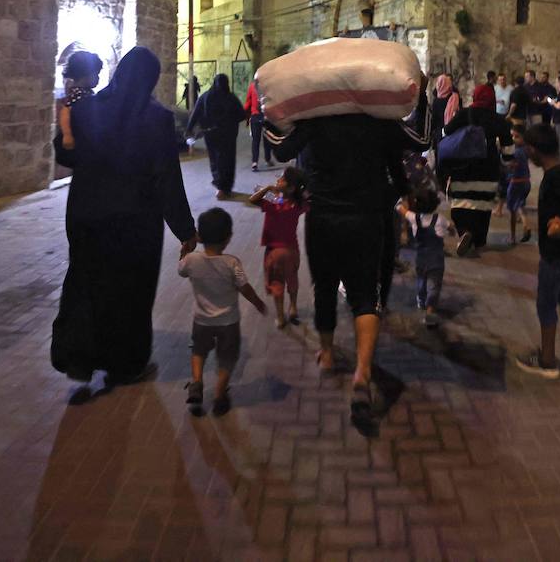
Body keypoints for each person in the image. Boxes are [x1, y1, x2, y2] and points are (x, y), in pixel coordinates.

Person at [266, 108, 430, 424]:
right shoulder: (378, 118)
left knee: (324, 285)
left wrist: (264, 118)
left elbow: (282, 149)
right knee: (365, 292)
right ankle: (362, 373)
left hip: (323, 216)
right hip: (366, 217)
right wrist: (397, 193)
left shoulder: (314, 115)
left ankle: (327, 355)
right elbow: (408, 152)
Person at [52, 46, 198, 389]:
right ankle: (125, 364)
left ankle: (79, 357)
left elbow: (66, 154)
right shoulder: (156, 118)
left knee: (85, 282)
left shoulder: (86, 107)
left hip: (86, 213)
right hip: (134, 221)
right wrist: (185, 229)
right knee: (130, 292)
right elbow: (166, 178)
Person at [514, 124, 560, 380]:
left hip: (558, 253)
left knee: (545, 303)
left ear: (533, 150)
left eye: (526, 149)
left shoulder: (557, 174)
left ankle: (547, 361)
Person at [178, 207, 266, 416]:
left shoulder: (192, 261)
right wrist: (257, 302)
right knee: (227, 357)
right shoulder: (231, 263)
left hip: (201, 321)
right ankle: (219, 394)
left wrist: (185, 253)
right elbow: (245, 288)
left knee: (198, 351)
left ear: (199, 236)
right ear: (228, 238)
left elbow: (181, 270)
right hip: (228, 322)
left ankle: (197, 382)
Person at [437, 90, 508, 257]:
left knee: (461, 202)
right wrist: (507, 160)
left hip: (463, 167)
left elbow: (445, 132)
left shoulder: (464, 114)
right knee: (483, 206)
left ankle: (464, 232)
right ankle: (479, 241)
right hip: (488, 168)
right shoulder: (498, 119)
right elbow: (509, 148)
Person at [248, 166, 308, 329]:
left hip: (274, 252)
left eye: (281, 179)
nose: (277, 181)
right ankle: (294, 307)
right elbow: (308, 199)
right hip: (292, 250)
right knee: (292, 279)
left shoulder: (272, 202)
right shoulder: (297, 204)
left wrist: (267, 188)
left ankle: (281, 318)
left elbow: (252, 199)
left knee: (277, 284)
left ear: (290, 187)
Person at [187, 74, 248, 200]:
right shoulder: (231, 98)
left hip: (211, 135)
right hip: (229, 135)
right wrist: (229, 121)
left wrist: (189, 129)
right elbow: (242, 115)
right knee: (228, 160)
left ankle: (220, 186)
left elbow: (196, 113)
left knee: (215, 160)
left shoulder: (206, 96)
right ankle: (226, 187)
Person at [400, 187, 446, 328]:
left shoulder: (414, 218)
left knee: (421, 280)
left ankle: (421, 300)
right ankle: (430, 309)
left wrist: (402, 202)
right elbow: (449, 228)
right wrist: (452, 230)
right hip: (437, 260)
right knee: (435, 285)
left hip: (421, 258)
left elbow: (402, 210)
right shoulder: (441, 219)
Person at [57, 51, 102, 152]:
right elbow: (66, 112)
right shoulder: (79, 95)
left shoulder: (82, 93)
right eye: (96, 74)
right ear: (85, 74)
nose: (98, 78)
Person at [505, 124, 533, 244]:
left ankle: (512, 237)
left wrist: (504, 164)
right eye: (512, 135)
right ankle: (526, 225)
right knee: (520, 205)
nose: (513, 139)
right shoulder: (525, 151)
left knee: (512, 210)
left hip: (516, 182)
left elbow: (512, 165)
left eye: (516, 136)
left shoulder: (516, 152)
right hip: (526, 182)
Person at [245, 81, 275, 173]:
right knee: (267, 139)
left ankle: (254, 162)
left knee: (255, 140)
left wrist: (245, 115)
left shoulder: (251, 86)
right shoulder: (268, 85)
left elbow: (248, 102)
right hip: (266, 116)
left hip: (255, 116)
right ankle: (267, 159)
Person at [430, 74, 460, 161]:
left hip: (439, 134)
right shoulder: (454, 97)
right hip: (452, 132)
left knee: (440, 159)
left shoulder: (436, 101)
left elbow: (434, 120)